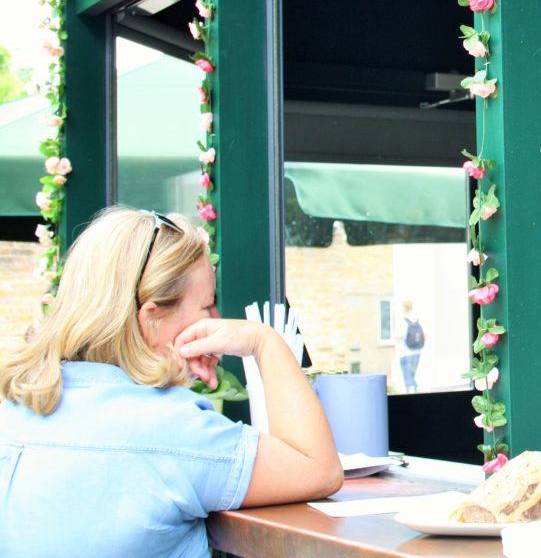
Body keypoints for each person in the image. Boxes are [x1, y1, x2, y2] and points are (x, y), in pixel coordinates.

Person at [0, 207, 343, 556]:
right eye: (208, 305)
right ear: (150, 320)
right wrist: (265, 343)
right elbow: (319, 469)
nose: (216, 320)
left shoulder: (14, 411)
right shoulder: (173, 427)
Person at [395, 299, 424, 392]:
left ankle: (412, 395)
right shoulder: (417, 320)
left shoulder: (403, 321)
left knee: (408, 379)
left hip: (406, 353)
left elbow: (398, 337)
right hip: (417, 352)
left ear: (404, 308)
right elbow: (425, 335)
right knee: (411, 375)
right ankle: (414, 392)